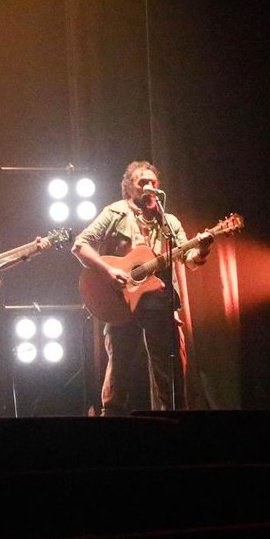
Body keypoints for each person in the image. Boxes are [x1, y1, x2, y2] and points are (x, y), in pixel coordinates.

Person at [73, 160, 213, 415]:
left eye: (153, 182)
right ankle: (113, 421)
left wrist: (202, 249)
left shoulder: (168, 222)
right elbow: (80, 244)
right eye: (142, 183)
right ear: (129, 188)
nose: (149, 186)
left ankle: (170, 423)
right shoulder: (114, 213)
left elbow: (188, 258)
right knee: (120, 368)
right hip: (120, 300)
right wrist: (109, 271)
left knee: (168, 373)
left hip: (160, 303)